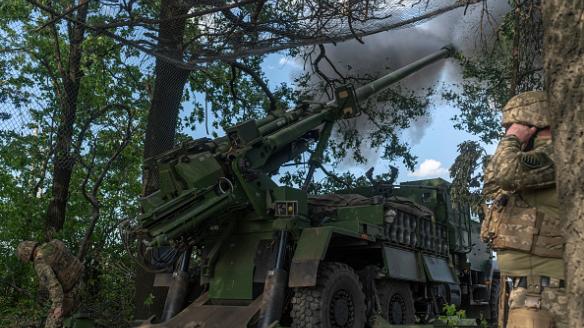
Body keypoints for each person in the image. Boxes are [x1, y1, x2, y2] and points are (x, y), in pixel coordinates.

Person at [481, 91, 567, 328]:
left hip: (545, 292)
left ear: (531, 124)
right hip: (532, 291)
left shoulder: (556, 154)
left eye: (514, 126)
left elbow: (507, 175)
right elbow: (492, 185)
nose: (509, 132)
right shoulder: (527, 161)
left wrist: (510, 141)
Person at [16, 239, 84, 328]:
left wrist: (57, 306)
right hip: (82, 280)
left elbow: (53, 284)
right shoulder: (55, 243)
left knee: (51, 323)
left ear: (26, 255)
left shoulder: (39, 262)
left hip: (70, 292)